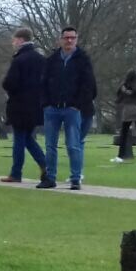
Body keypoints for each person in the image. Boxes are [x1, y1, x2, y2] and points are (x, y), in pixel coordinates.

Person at [39, 26, 96, 190]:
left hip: (72, 109)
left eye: (72, 38)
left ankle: (75, 178)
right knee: (50, 145)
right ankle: (50, 177)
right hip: (52, 109)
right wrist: (45, 104)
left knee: (73, 145)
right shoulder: (51, 60)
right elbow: (43, 83)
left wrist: (77, 105)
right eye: (66, 38)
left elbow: (89, 85)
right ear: (61, 39)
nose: (69, 40)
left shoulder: (83, 60)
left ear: (76, 39)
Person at [0, 28, 47, 183]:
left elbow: (9, 83)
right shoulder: (41, 59)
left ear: (21, 40)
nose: (13, 43)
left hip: (19, 105)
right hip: (36, 105)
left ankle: (16, 172)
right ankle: (45, 165)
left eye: (14, 40)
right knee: (28, 138)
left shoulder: (19, 59)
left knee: (19, 139)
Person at [111, 72, 136, 163]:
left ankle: (120, 156)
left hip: (128, 111)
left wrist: (123, 92)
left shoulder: (124, 86)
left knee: (124, 135)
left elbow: (118, 98)